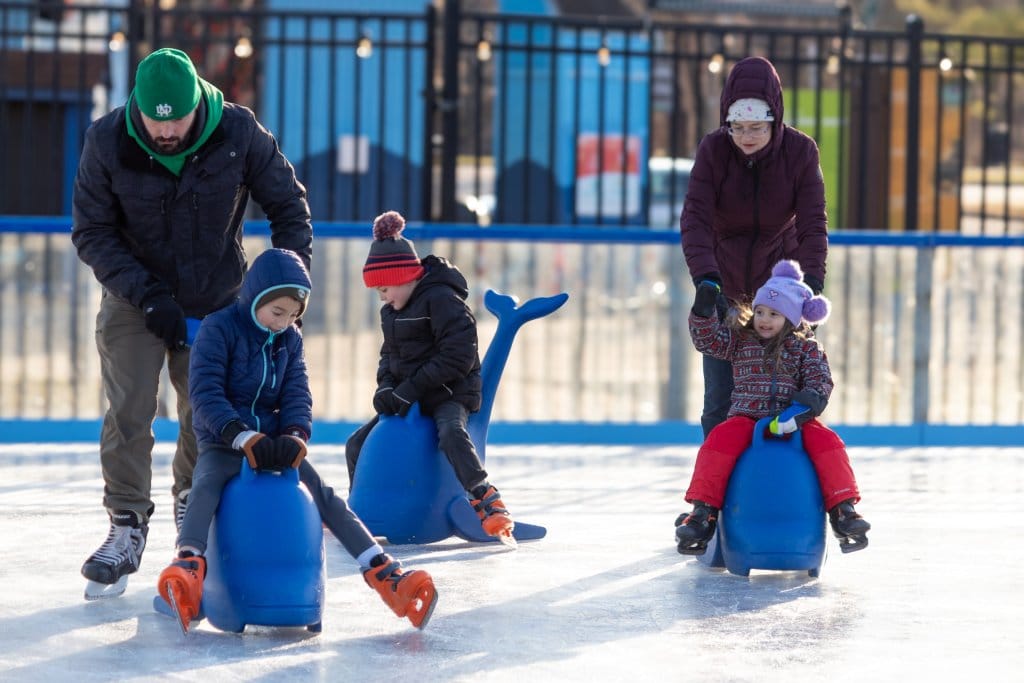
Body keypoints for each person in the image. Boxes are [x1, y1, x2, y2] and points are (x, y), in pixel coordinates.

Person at [71, 47, 313, 599]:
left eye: (174, 118)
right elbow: (91, 231)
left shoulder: (238, 131)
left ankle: (192, 505)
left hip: (218, 298)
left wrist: (289, 284)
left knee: (206, 409)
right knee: (129, 407)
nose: (164, 129)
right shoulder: (107, 140)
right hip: (135, 299)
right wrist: (148, 295)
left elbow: (288, 208)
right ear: (137, 108)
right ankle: (126, 525)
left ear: (195, 104)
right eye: (154, 119)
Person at [157, 248, 437, 633]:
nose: (285, 323)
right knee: (205, 485)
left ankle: (383, 572)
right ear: (256, 297)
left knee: (324, 494)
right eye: (277, 313)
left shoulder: (289, 339)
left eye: (293, 316)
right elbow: (204, 393)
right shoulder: (218, 328)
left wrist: (295, 435)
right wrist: (239, 434)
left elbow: (296, 393)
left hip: (273, 443)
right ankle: (188, 565)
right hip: (225, 444)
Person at [673, 260, 870, 555]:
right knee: (718, 441)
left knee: (829, 442)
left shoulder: (806, 347)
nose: (764, 319)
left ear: (791, 318)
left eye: (774, 314)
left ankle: (843, 511)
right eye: (761, 311)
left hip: (793, 420)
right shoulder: (741, 339)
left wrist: (800, 412)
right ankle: (704, 513)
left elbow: (821, 381)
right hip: (746, 417)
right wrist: (703, 312)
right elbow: (709, 341)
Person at [344, 211, 515, 546]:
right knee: (355, 444)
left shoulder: (442, 299)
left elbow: (458, 357)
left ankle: (485, 498)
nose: (383, 297)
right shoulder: (391, 312)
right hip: (412, 394)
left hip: (450, 392)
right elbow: (388, 357)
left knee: (451, 433)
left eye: (384, 288)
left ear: (404, 275)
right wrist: (387, 388)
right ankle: (356, 514)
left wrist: (410, 388)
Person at [680, 56, 828, 438]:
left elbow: (813, 221)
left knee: (789, 391)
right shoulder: (713, 150)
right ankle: (714, 491)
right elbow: (695, 217)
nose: (747, 136)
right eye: (738, 127)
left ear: (774, 121)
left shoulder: (800, 152)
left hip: (780, 289)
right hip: (725, 283)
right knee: (721, 398)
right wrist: (705, 278)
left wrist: (811, 278)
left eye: (757, 128)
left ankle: (786, 478)